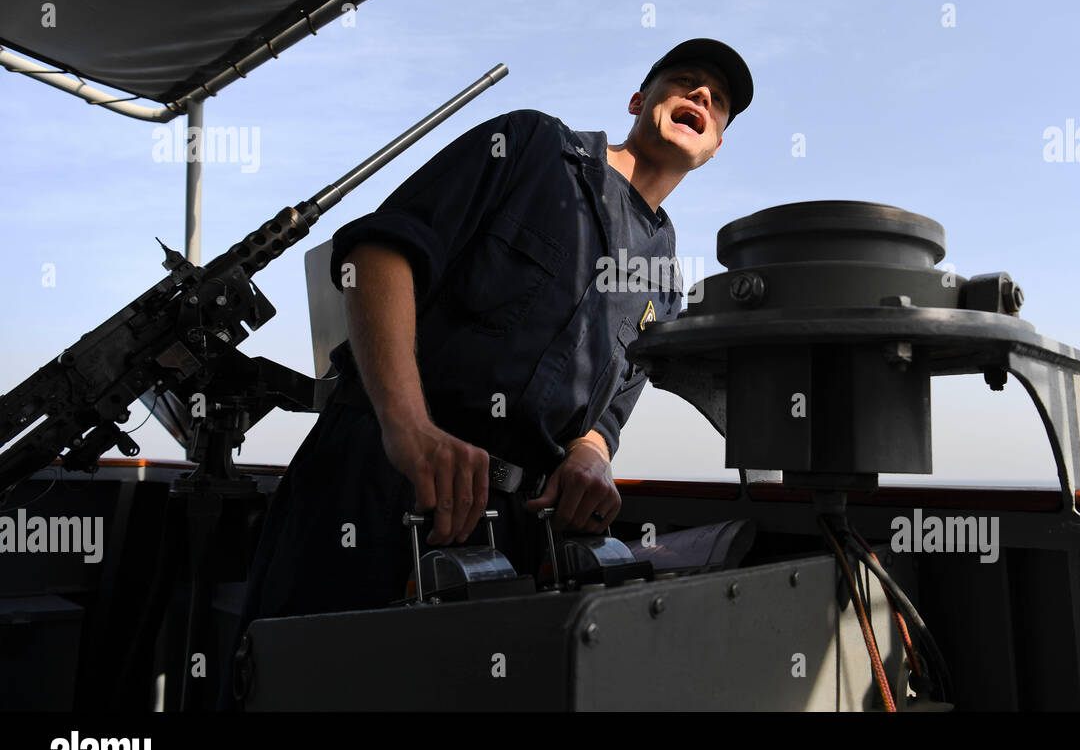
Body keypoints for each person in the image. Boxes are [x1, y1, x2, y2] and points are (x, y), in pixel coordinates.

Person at [227, 38, 753, 660]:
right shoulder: (530, 147)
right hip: (379, 478)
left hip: (510, 527)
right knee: (304, 680)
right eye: (685, 81)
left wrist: (591, 459)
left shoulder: (664, 283)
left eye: (717, 103)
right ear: (639, 100)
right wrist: (408, 427)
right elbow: (379, 255)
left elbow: (604, 418)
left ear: (714, 146)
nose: (700, 97)